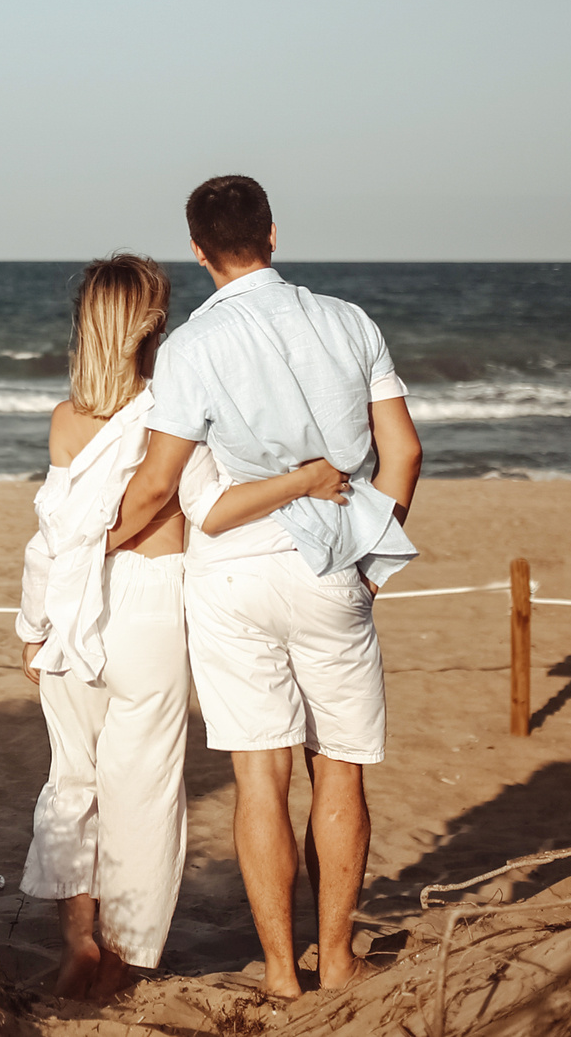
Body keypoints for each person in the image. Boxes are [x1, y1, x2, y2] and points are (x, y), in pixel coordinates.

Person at [109, 177, 425, 1003]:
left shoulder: (191, 345)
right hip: (332, 564)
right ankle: (340, 959)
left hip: (232, 573)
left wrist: (94, 543)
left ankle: (283, 972)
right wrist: (371, 554)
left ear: (198, 249)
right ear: (273, 233)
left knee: (260, 777)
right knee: (341, 771)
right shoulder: (350, 321)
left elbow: (160, 481)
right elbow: (404, 451)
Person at [15, 254, 196, 1001]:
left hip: (71, 607)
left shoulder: (66, 419)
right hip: (149, 603)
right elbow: (205, 511)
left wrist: (33, 625)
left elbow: (51, 535)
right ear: (155, 326)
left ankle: (77, 947)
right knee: (141, 790)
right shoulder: (177, 410)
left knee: (72, 780)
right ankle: (121, 955)